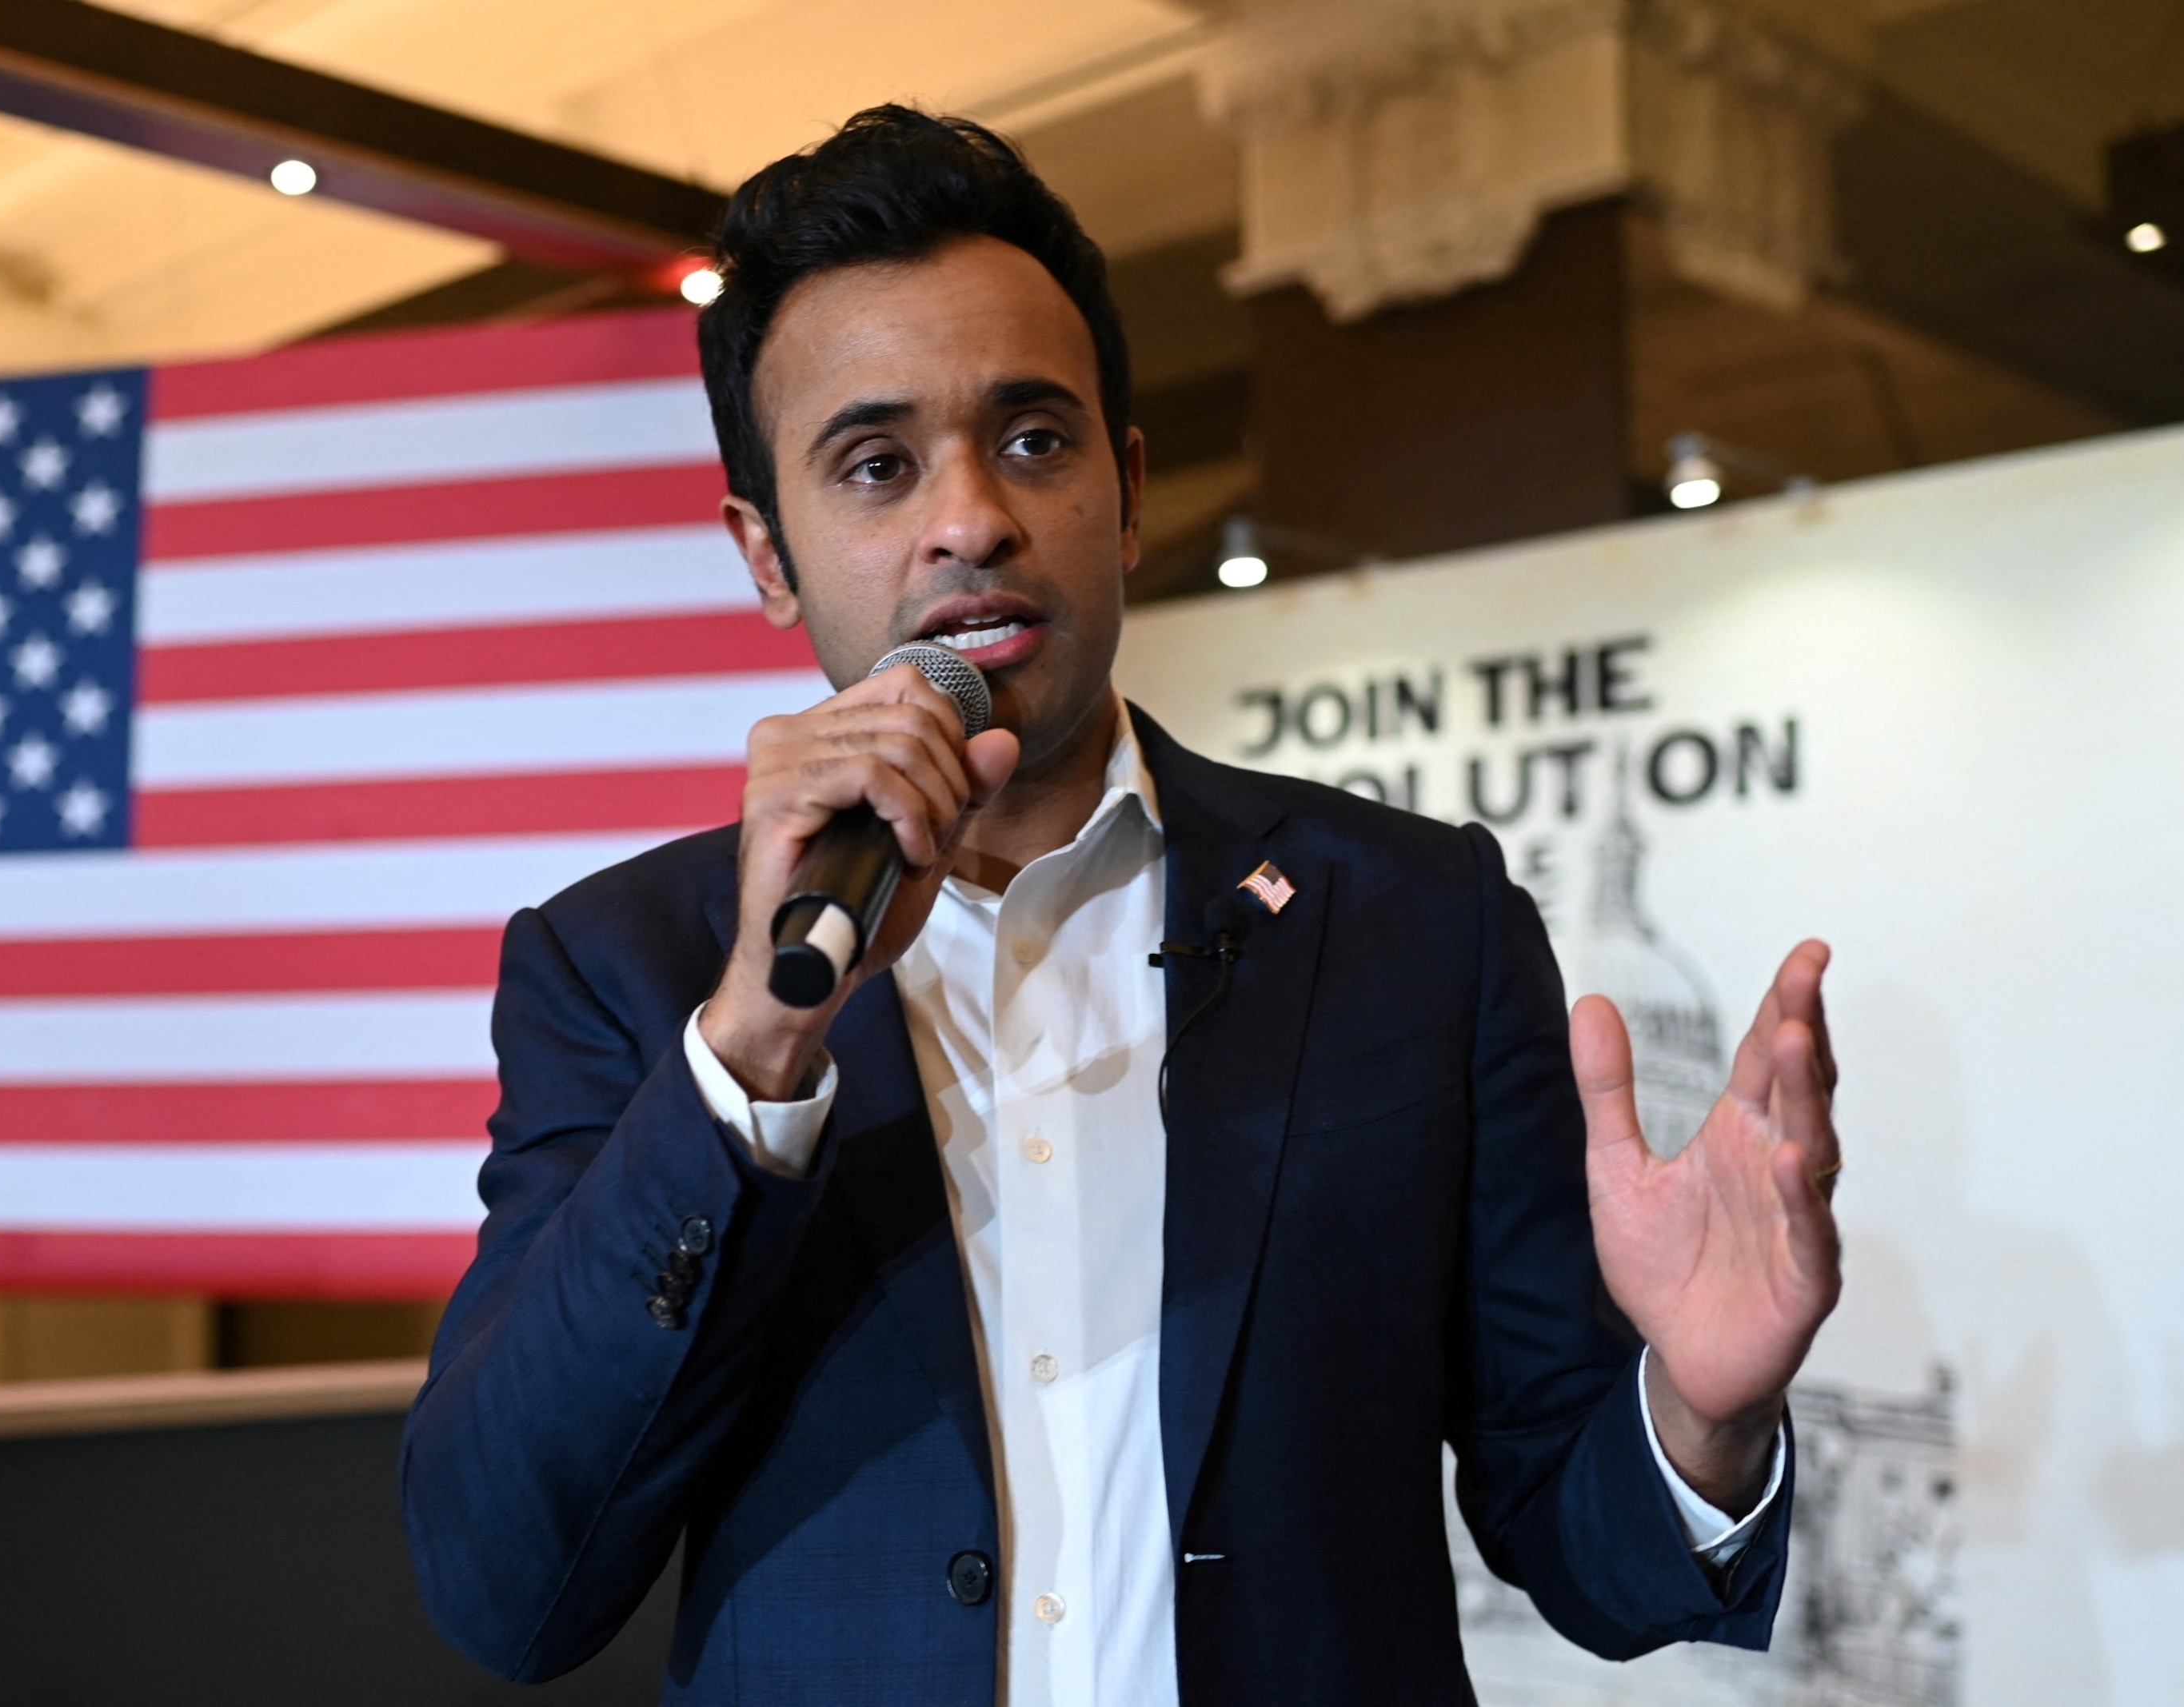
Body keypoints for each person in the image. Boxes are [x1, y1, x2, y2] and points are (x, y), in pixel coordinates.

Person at [401, 106, 1843, 1706]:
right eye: (876, 466)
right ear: (767, 555)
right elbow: (504, 1584)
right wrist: (754, 1049)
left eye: (1033, 438)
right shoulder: (626, 970)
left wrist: (1702, 1413)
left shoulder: (1413, 918)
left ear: (1129, 484)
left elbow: (1586, 1548)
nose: (972, 519)